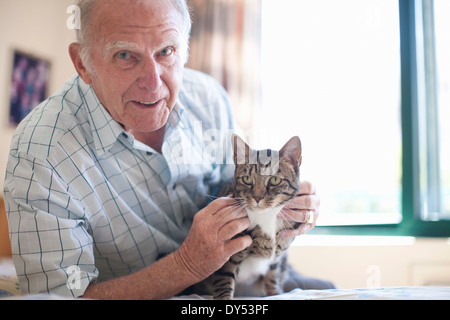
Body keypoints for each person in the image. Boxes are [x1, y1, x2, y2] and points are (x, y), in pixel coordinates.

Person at [4, 0, 330, 300]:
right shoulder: (41, 155)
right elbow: (59, 299)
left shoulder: (210, 99)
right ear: (82, 63)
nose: (153, 82)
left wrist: (291, 209)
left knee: (330, 290)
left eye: (166, 51)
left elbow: (244, 193)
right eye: (125, 55)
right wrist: (186, 265)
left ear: (185, 49)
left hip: (237, 281)